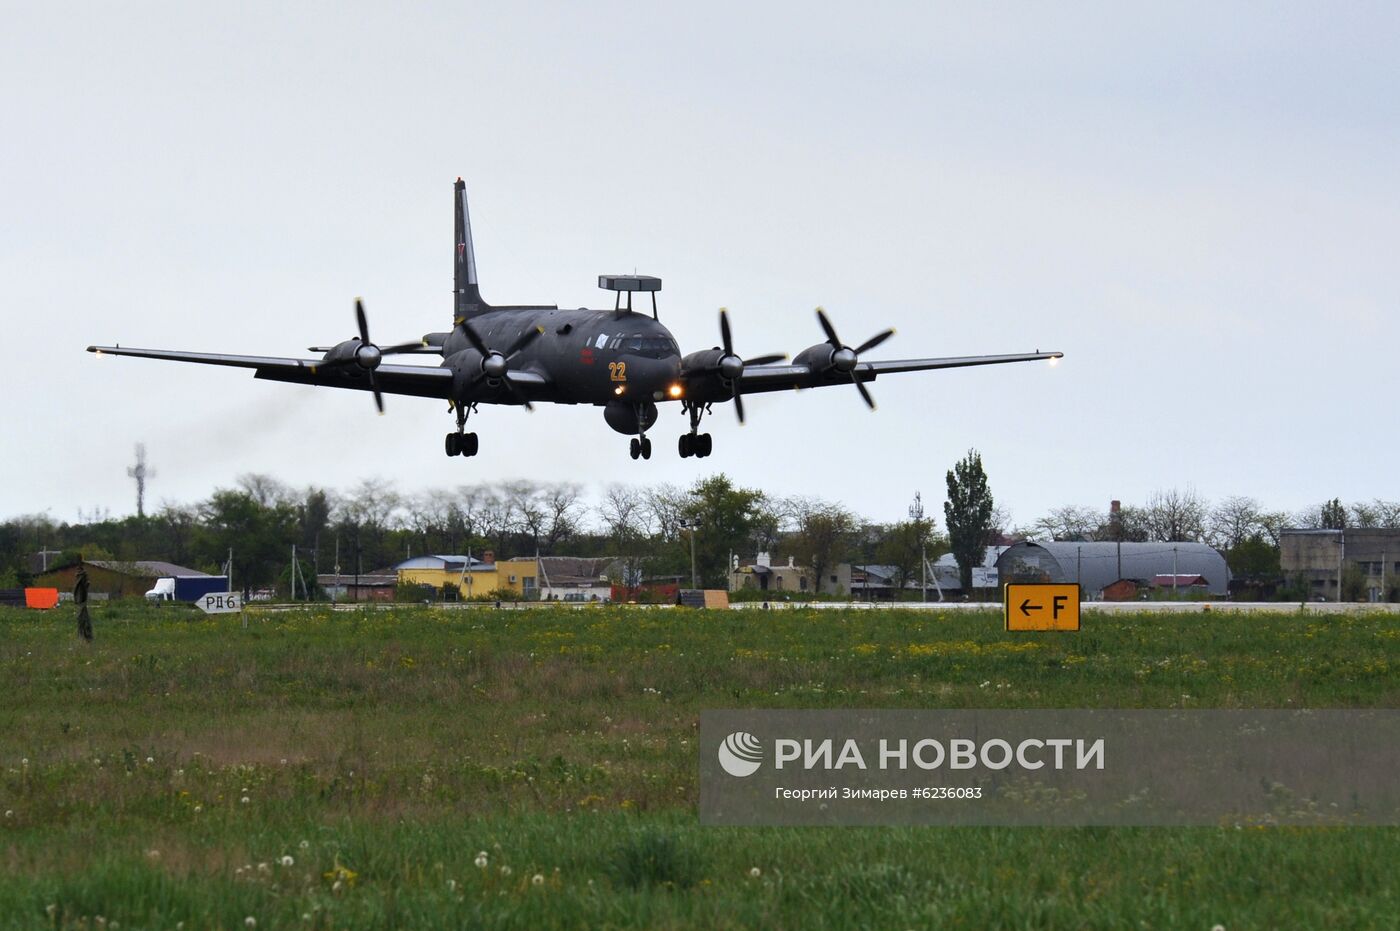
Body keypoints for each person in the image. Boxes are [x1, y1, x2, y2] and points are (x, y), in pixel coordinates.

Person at [74, 565, 93, 642]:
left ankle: (85, 637)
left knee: (83, 620)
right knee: (83, 620)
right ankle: (85, 636)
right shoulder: (82, 578)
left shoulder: (81, 578)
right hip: (81, 602)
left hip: (81, 603)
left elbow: (80, 591)